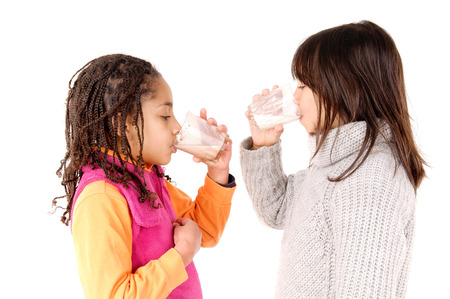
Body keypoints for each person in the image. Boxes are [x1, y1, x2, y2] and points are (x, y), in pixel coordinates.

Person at [240, 20, 426, 298]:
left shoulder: (370, 179)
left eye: (304, 85)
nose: (295, 95)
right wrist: (263, 146)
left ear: (344, 88)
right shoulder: (334, 165)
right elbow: (277, 210)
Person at [53, 54, 235, 298]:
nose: (177, 127)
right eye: (164, 116)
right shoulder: (101, 197)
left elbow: (201, 232)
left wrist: (217, 173)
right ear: (122, 124)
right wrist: (180, 256)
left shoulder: (146, 177)